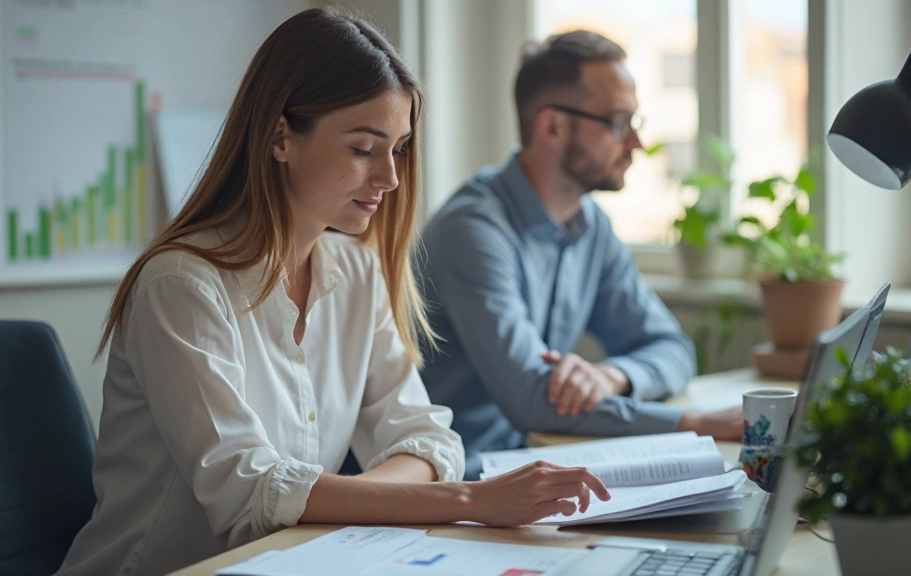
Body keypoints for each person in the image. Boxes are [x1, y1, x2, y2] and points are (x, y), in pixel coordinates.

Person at [55, 10, 610, 576]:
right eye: (365, 149)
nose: (391, 179)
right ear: (280, 139)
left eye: (398, 149)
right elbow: (248, 491)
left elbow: (427, 439)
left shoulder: (355, 272)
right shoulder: (181, 286)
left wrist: (360, 506)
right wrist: (467, 501)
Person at [420, 30, 742, 480]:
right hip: (452, 481)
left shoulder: (591, 228)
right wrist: (691, 423)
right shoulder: (471, 229)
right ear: (553, 126)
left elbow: (673, 348)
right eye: (617, 122)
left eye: (635, 122)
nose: (636, 143)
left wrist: (614, 376)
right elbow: (533, 401)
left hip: (536, 467)